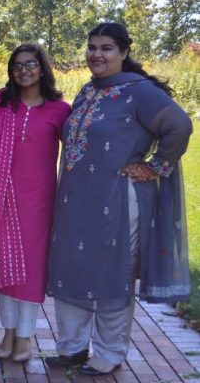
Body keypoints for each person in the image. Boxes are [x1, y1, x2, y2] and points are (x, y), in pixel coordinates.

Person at [46, 22, 192, 376]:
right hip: (76, 200)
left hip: (117, 197)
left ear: (124, 52)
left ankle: (109, 353)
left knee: (113, 272)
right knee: (72, 268)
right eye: (92, 47)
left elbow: (180, 126)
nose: (97, 54)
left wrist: (155, 166)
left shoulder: (140, 92)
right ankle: (72, 348)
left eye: (106, 48)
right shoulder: (86, 91)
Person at [0, 43, 71, 362]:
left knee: (30, 268)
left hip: (39, 201)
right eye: (17, 65)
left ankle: (25, 335)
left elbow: (79, 150)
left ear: (42, 67)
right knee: (2, 266)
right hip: (2, 195)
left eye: (30, 64)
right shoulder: (0, 103)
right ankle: (8, 331)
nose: (24, 70)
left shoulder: (59, 109)